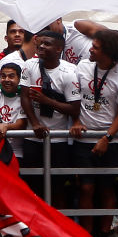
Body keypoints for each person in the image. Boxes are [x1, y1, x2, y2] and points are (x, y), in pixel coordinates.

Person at [70, 28, 118, 237]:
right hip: (82, 138)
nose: (90, 49)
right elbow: (74, 97)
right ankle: (87, 234)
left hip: (109, 141)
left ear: (107, 52)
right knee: (85, 187)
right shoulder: (83, 67)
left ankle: (103, 235)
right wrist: (76, 120)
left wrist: (107, 137)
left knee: (107, 187)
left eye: (95, 47)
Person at [20, 30, 81, 201]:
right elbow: (24, 96)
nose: (41, 46)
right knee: (32, 187)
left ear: (58, 49)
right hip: (33, 137)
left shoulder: (69, 72)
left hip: (58, 140)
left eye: (47, 44)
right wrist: (35, 124)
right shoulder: (29, 66)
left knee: (58, 188)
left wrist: (47, 101)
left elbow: (74, 109)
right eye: (40, 43)